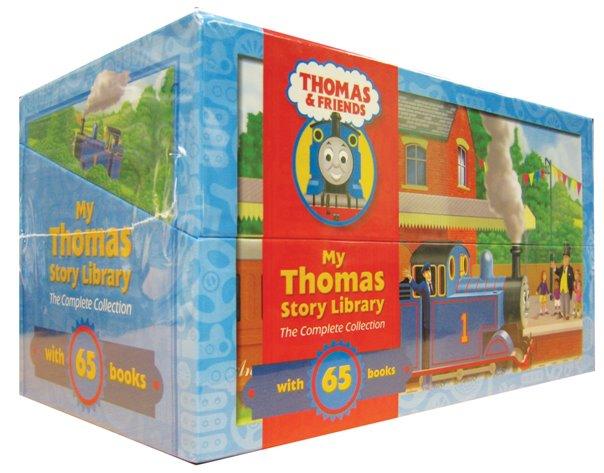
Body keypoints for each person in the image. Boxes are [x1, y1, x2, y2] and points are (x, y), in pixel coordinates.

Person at [403, 262, 434, 371]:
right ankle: (426, 364)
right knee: (426, 339)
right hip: (426, 316)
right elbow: (416, 288)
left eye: (429, 272)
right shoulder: (423, 285)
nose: (429, 274)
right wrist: (410, 278)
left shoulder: (432, 284)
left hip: (432, 316)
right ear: (424, 275)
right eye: (426, 273)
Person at [551, 245, 575, 320]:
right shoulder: (561, 268)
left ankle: (567, 314)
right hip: (561, 289)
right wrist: (554, 268)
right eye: (564, 258)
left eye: (566, 258)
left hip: (567, 289)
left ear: (569, 259)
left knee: (567, 302)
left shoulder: (570, 269)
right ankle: (562, 313)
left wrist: (572, 286)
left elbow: (572, 278)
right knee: (562, 301)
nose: (565, 260)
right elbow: (557, 271)